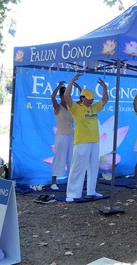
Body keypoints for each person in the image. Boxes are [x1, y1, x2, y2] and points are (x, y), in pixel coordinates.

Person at [63, 73, 108, 202]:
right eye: (88, 99)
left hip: (95, 141)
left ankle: (91, 191)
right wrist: (72, 80)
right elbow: (67, 96)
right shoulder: (76, 108)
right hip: (82, 141)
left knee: (93, 167)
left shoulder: (94, 108)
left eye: (92, 98)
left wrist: (104, 87)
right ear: (82, 98)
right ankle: (72, 194)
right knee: (78, 167)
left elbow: (105, 100)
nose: (91, 100)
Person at [49, 81, 80, 190]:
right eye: (65, 95)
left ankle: (72, 182)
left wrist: (80, 88)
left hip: (72, 136)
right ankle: (54, 182)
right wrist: (58, 86)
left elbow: (83, 101)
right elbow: (52, 96)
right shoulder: (57, 107)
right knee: (59, 158)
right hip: (61, 136)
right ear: (61, 96)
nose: (67, 97)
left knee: (72, 159)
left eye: (69, 95)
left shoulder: (72, 107)